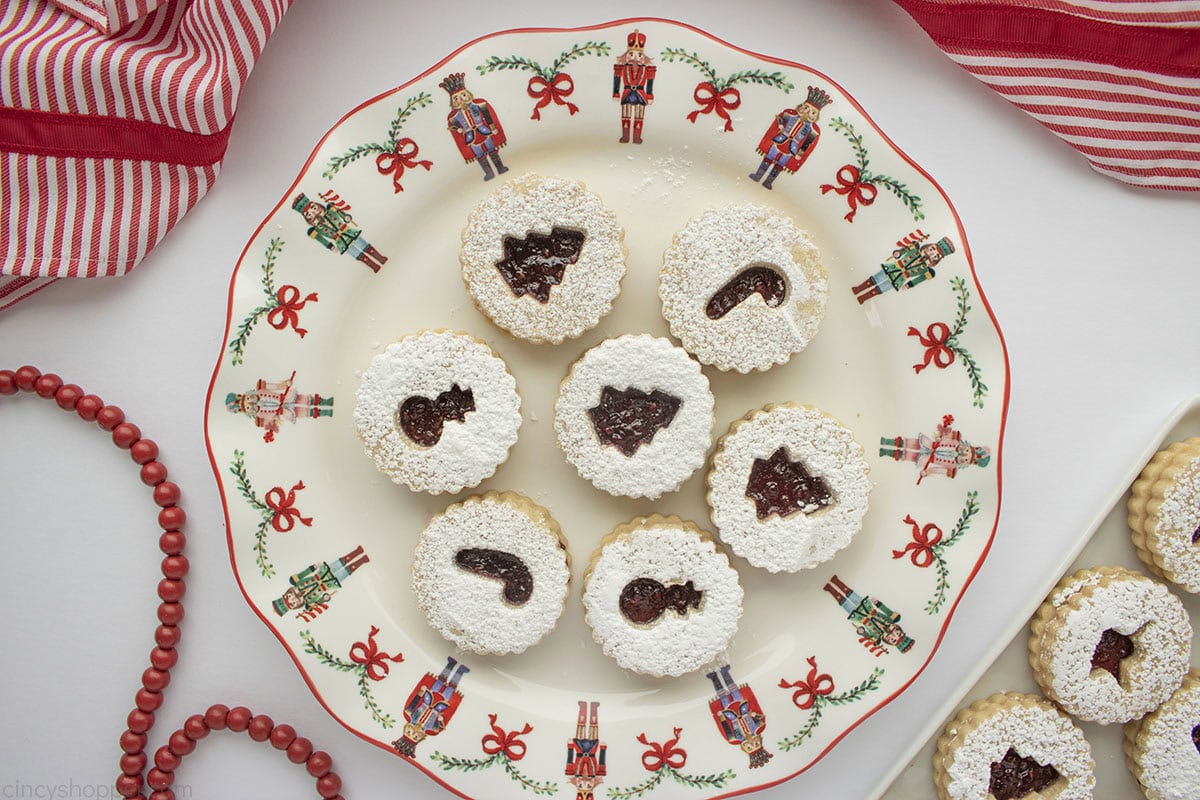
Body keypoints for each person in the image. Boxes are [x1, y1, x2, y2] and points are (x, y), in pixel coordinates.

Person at [749, 85, 831, 189]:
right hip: (780, 140)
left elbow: (807, 143)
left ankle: (769, 181)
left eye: (813, 112)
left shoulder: (813, 129)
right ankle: (758, 175)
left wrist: (800, 153)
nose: (807, 112)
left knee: (780, 164)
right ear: (801, 106)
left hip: (792, 147)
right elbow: (780, 119)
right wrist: (780, 124)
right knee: (769, 158)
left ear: (816, 116)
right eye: (806, 108)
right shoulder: (790, 113)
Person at [392, 656, 470, 757]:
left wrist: (420, 693)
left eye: (409, 732)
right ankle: (460, 671)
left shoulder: (409, 715)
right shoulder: (430, 729)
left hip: (428, 699)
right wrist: (439, 719)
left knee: (439, 681)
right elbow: (438, 726)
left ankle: (450, 664)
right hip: (440, 706)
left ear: (406, 728)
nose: (414, 732)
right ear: (421, 738)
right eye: (415, 737)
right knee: (450, 688)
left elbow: (413, 703)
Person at [880, 413, 991, 484]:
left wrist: (928, 472)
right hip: (929, 444)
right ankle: (888, 441)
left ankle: (887, 452)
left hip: (928, 459)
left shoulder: (952, 468)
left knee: (908, 456)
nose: (962, 455)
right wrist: (940, 436)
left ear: (966, 463)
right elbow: (943, 435)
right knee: (910, 443)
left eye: (966, 459)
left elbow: (938, 470)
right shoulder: (956, 439)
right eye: (967, 452)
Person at [291, 192, 388, 272]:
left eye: (314, 208)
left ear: (318, 206)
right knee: (356, 254)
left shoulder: (330, 211)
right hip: (339, 241)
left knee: (364, 245)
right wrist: (330, 246)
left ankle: (380, 258)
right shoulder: (315, 229)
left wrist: (346, 217)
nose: (314, 213)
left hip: (348, 231)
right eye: (309, 214)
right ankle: (373, 266)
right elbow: (321, 239)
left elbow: (340, 213)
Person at [225, 371, 332, 443]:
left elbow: (276, 386)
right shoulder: (259, 417)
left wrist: (285, 384)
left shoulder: (260, 388)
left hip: (285, 397)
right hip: (283, 411)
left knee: (303, 399)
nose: (251, 404)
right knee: (301, 412)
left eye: (247, 400)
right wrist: (273, 422)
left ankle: (324, 402)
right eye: (247, 407)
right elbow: (270, 421)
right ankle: (323, 413)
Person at [270, 545, 369, 621]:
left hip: (322, 572)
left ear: (287, 594)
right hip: (330, 584)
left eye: (289, 597)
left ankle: (357, 551)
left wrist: (312, 568)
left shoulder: (295, 582)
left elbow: (303, 574)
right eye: (293, 604)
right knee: (346, 571)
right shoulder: (308, 602)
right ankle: (362, 560)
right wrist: (324, 599)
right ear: (295, 607)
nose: (294, 599)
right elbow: (319, 601)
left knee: (339, 563)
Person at [852, 231, 955, 304]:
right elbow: (903, 251)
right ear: (928, 246)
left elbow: (919, 279)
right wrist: (898, 253)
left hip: (901, 278)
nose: (931, 255)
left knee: (881, 289)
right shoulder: (915, 249)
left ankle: (863, 298)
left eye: (936, 256)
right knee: (875, 279)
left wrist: (910, 285)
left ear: (937, 259)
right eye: (932, 250)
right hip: (893, 267)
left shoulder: (927, 270)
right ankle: (858, 288)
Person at [440, 72, 509, 180]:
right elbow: (453, 125)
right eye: (456, 98)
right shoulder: (454, 115)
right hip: (470, 136)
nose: (461, 99)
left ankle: (500, 167)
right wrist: (457, 129)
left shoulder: (478, 104)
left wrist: (492, 127)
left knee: (491, 148)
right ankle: (489, 172)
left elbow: (487, 115)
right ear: (453, 101)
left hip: (484, 130)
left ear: (468, 94)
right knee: (479, 154)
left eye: (463, 95)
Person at [823, 574, 914, 656]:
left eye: (893, 640)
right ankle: (836, 581)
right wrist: (878, 604)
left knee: (844, 603)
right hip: (868, 607)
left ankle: (830, 589)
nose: (893, 635)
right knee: (851, 595)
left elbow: (867, 636)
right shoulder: (893, 620)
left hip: (859, 617)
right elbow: (887, 611)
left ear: (890, 642)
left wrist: (862, 632)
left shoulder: (878, 637)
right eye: (898, 634)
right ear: (900, 631)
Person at [707, 665, 773, 768]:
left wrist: (722, 719)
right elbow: (758, 719)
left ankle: (714, 677)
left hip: (731, 715)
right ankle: (725, 672)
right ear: (759, 742)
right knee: (734, 691)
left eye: (750, 748)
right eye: (756, 745)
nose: (751, 743)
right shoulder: (757, 729)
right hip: (743, 710)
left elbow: (727, 729)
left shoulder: (735, 739)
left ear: (745, 748)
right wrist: (753, 715)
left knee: (723, 697)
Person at [612, 30, 656, 144]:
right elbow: (617, 79)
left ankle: (637, 137)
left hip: (640, 94)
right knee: (625, 115)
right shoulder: (622, 68)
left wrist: (650, 95)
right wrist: (616, 93)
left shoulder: (647, 69)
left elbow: (650, 82)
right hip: (627, 92)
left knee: (639, 116)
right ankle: (625, 137)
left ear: (643, 56)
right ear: (626, 55)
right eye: (631, 54)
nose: (635, 58)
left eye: (639, 55)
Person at [565, 700, 606, 800]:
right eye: (588, 786)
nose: (584, 783)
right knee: (593, 727)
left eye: (580, 786)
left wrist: (570, 747)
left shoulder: (572, 772)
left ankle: (582, 707)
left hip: (579, 749)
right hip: (592, 749)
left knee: (581, 726)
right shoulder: (597, 772)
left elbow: (569, 759)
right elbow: (601, 761)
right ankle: (594, 708)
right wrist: (603, 748)